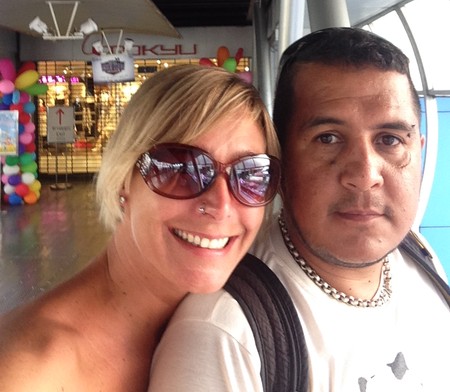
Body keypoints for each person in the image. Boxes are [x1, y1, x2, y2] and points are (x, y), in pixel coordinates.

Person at [149, 27, 450, 391]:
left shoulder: (417, 254)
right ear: (280, 160)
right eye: (328, 138)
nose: (365, 176)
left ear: (418, 150)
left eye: (390, 140)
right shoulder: (223, 335)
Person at [0, 64, 281, 392]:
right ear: (124, 179)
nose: (221, 205)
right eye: (181, 168)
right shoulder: (29, 369)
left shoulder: (238, 329)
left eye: (250, 173)